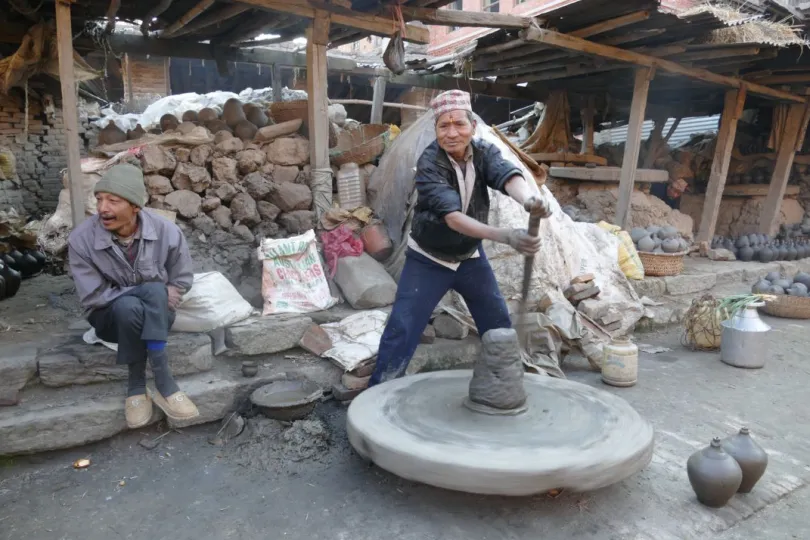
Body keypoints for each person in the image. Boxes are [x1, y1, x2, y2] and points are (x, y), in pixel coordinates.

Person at [369, 90, 552, 386]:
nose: (452, 133)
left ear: (473, 127)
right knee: (402, 327)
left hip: (469, 258)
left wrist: (530, 200)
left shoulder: (484, 152)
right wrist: (506, 236)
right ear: (436, 130)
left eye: (459, 124)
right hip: (428, 258)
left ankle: (504, 385)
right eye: (444, 125)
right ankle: (377, 393)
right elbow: (453, 218)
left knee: (497, 323)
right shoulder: (428, 163)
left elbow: (507, 175)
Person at [68, 163, 200, 428]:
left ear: (135, 207)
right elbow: (95, 296)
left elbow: (182, 278)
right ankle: (165, 383)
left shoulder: (166, 231)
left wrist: (169, 291)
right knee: (139, 299)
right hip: (108, 320)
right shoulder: (81, 240)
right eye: (99, 199)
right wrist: (155, 292)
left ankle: (137, 387)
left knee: (137, 302)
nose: (103, 208)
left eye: (113, 201)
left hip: (158, 315)